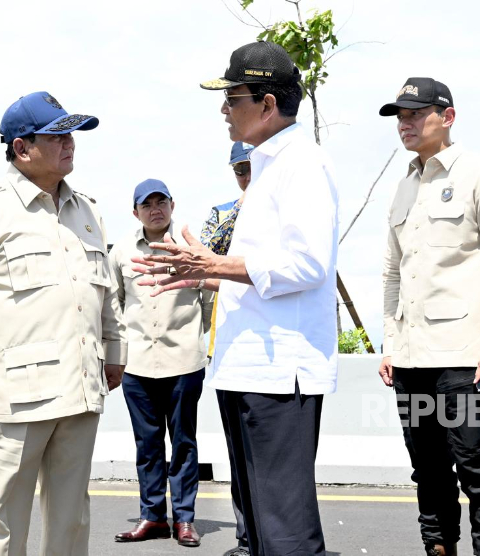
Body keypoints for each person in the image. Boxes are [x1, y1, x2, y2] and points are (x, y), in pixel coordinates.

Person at [134, 40, 339, 556]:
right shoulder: (270, 165)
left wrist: (215, 264)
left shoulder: (302, 164)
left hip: (278, 375)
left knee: (286, 534)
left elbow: (308, 264)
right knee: (262, 531)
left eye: (233, 97)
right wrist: (207, 276)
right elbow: (263, 273)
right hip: (248, 368)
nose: (224, 110)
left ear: (268, 104)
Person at [0, 91, 126, 555]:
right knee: (1, 525)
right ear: (22, 147)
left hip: (79, 392)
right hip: (13, 398)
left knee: (72, 521)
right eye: (57, 135)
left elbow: (105, 293)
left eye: (71, 134)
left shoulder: (88, 211)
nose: (70, 143)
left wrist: (114, 353)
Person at [378, 77, 480, 556]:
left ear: (448, 116)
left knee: (478, 466)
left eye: (416, 113)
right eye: (400, 115)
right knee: (427, 469)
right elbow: (392, 274)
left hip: (466, 360)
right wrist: (390, 342)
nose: (406, 123)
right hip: (411, 361)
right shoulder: (403, 186)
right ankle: (438, 549)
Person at [109, 179, 214, 547]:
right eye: (147, 204)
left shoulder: (190, 249)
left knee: (184, 442)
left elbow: (208, 301)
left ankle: (184, 518)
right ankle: (152, 517)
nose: (155, 209)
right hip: (137, 365)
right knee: (147, 444)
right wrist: (116, 356)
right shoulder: (121, 251)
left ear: (172, 205)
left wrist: (198, 343)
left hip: (184, 362)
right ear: (135, 211)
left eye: (161, 202)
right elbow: (115, 304)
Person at [198, 141, 254, 556]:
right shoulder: (222, 217)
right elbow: (200, 271)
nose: (247, 175)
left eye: (252, 166)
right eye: (239, 169)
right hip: (228, 345)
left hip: (273, 350)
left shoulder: (284, 210)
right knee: (238, 457)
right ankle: (245, 536)